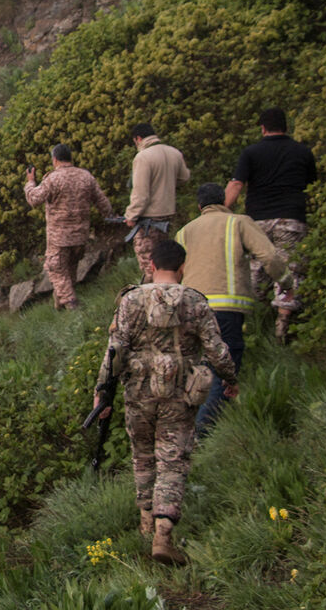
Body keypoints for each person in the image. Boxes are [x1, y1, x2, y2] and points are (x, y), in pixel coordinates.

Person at [93, 239, 237, 565]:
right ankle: (163, 533)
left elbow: (115, 351)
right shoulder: (195, 302)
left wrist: (102, 391)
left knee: (142, 457)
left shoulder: (130, 300)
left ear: (151, 266)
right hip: (180, 396)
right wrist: (230, 379)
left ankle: (146, 524)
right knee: (173, 460)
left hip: (138, 394)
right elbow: (217, 350)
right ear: (183, 267)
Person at [176, 183, 293, 434]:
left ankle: (184, 429)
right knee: (222, 368)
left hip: (188, 308)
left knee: (196, 368)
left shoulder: (185, 231)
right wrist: (286, 283)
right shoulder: (239, 222)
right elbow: (269, 257)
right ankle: (203, 433)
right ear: (226, 202)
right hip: (225, 308)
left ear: (199, 207)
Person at [224, 107, 317, 340]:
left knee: (257, 267)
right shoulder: (303, 152)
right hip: (291, 218)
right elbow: (313, 188)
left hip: (258, 221)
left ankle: (256, 318)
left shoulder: (251, 153)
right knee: (291, 269)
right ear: (286, 127)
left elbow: (236, 185)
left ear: (262, 128)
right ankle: (284, 322)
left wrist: (220, 211)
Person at [24, 143, 113, 309]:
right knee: (70, 270)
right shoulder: (86, 176)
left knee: (55, 270)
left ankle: (72, 305)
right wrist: (109, 216)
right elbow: (102, 202)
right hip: (80, 235)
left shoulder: (53, 179)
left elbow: (34, 199)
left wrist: (30, 182)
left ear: (55, 159)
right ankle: (60, 307)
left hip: (59, 238)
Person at [124, 123, 190, 282]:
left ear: (138, 139)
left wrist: (131, 215)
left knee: (149, 264)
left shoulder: (143, 157)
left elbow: (141, 193)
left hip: (148, 221)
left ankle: (151, 298)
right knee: (165, 262)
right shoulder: (174, 153)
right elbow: (185, 177)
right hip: (168, 218)